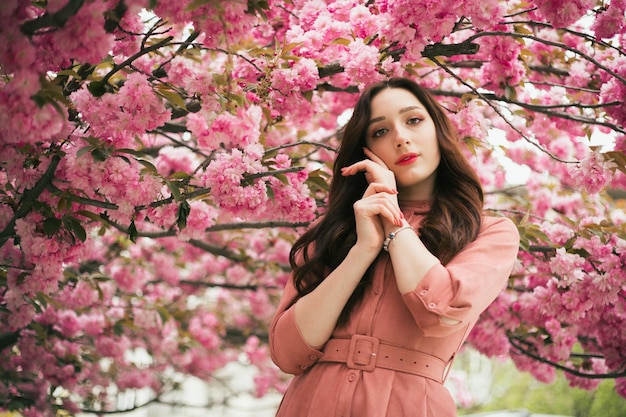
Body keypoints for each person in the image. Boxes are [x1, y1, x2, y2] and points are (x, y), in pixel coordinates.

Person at [269, 77, 519, 416]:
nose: (401, 137)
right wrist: (362, 251)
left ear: (437, 131)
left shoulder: (489, 233)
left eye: (413, 120)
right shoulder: (332, 233)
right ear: (365, 150)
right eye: (380, 132)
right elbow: (288, 353)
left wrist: (393, 220)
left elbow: (440, 310)